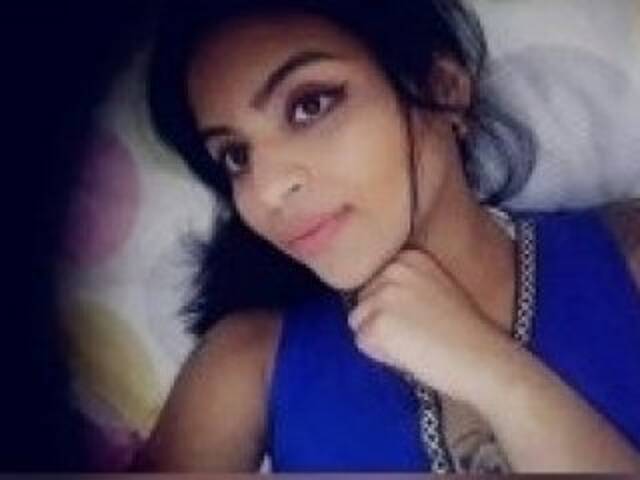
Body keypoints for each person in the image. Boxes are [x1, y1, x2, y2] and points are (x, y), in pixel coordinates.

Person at [134, 0, 640, 472]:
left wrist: (495, 372)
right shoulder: (246, 364)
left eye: (310, 105)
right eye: (236, 156)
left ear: (443, 89)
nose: (266, 190)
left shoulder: (624, 258)